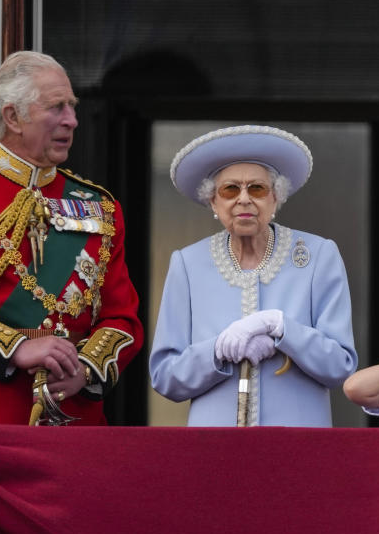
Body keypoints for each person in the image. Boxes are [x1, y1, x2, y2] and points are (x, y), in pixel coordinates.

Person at [0, 51, 143, 424]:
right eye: (56, 107)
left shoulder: (101, 206)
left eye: (72, 106)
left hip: (76, 418)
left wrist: (85, 369)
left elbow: (122, 318)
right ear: (12, 117)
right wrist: (17, 348)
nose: (72, 120)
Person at [148, 125, 357, 426]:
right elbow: (165, 377)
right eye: (230, 189)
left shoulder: (318, 256)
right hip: (214, 445)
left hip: (298, 442)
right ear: (213, 203)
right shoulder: (188, 264)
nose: (243, 199)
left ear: (276, 198)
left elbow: (340, 365)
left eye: (257, 189)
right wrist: (217, 350)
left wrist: (283, 329)